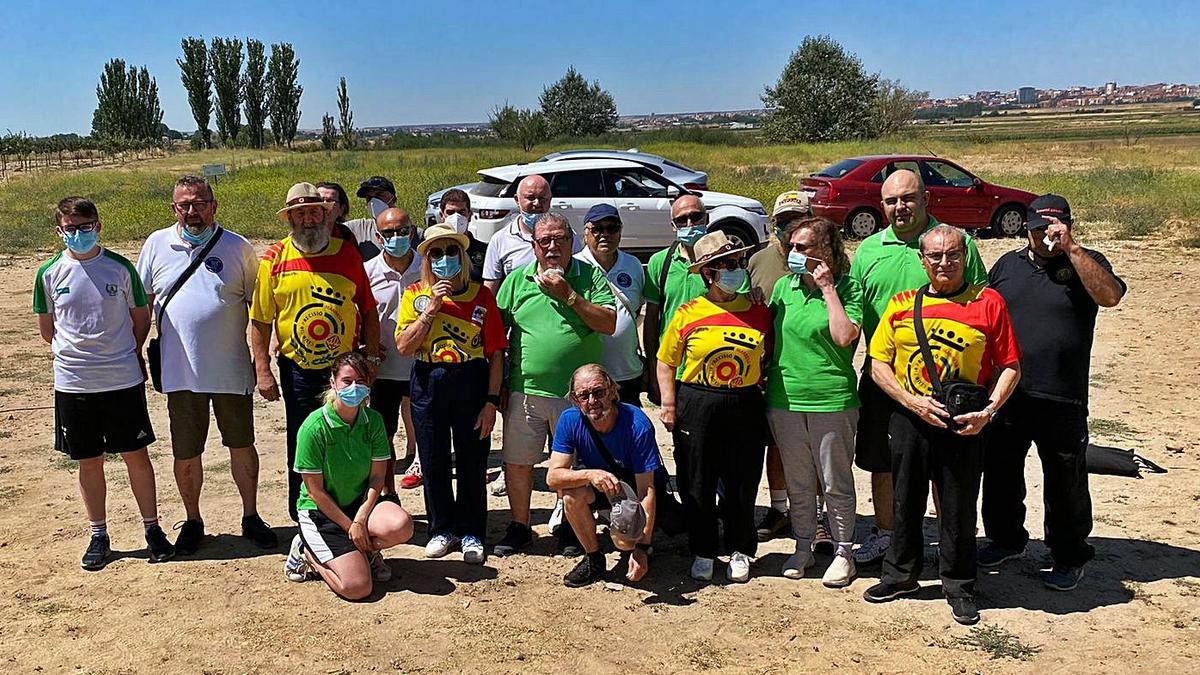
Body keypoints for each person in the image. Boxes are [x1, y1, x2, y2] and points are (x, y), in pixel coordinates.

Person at [863, 224, 1021, 626]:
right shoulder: (900, 304)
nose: (945, 262)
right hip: (910, 419)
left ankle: (960, 583)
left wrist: (987, 412)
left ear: (965, 257)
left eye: (953, 254)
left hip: (963, 423)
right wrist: (909, 401)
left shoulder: (989, 303)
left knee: (958, 506)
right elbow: (878, 363)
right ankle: (900, 575)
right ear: (922, 260)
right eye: (935, 256)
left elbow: (1010, 367)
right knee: (906, 499)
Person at [981, 194, 1126, 591]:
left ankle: (1068, 554)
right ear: (1026, 228)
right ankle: (1005, 539)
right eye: (1039, 227)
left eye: (1054, 226)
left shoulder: (1087, 262)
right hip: (1009, 392)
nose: (1046, 234)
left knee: (1065, 478)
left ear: (1068, 225)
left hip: (1062, 394)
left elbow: (1110, 296)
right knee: (1001, 473)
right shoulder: (1008, 266)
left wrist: (1072, 249)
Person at [848, 169, 987, 566]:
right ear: (881, 205)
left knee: (948, 469)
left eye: (908, 198)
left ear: (926, 199)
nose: (900, 207)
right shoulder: (870, 251)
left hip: (948, 382)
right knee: (882, 461)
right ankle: (888, 535)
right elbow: (857, 315)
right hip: (885, 378)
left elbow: (981, 306)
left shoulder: (953, 244)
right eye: (891, 201)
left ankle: (951, 542)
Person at [135, 175, 276, 555]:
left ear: (214, 205)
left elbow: (259, 311)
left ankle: (251, 515)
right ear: (173, 208)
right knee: (186, 451)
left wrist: (261, 364)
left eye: (199, 203)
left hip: (230, 369)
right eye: (184, 205)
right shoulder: (155, 244)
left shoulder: (238, 247)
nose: (192, 211)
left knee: (242, 445)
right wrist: (135, 350)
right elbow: (142, 305)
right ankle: (193, 519)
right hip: (180, 373)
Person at [34, 196, 174, 570]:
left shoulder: (120, 268)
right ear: (59, 231)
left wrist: (125, 351)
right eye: (70, 228)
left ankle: (153, 529)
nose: (79, 234)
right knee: (88, 461)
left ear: (98, 226)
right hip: (74, 383)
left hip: (121, 380)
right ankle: (99, 534)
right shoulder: (48, 273)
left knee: (136, 456)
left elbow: (140, 320)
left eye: (85, 226)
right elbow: (48, 331)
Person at [251, 182, 381, 522]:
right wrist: (262, 369)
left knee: (351, 437)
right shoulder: (274, 258)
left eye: (314, 212)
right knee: (303, 440)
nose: (308, 219)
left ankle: (351, 511)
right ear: (290, 219)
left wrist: (371, 358)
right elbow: (261, 320)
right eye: (299, 213)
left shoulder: (347, 253)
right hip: (299, 370)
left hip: (346, 371)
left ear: (326, 215)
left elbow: (368, 309)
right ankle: (305, 517)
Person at [494, 213, 616, 556]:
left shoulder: (589, 276)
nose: (552, 247)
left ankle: (571, 528)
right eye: (544, 241)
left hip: (578, 397)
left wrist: (570, 296)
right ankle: (520, 526)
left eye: (560, 239)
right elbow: (495, 335)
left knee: (573, 466)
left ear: (572, 242)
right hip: (525, 390)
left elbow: (608, 323)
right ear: (534, 245)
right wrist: (498, 383)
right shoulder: (516, 281)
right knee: (518, 462)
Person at [656, 231, 772, 584]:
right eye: (724, 265)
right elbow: (666, 362)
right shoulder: (689, 312)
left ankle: (740, 548)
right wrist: (669, 404)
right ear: (708, 273)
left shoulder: (759, 310)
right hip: (698, 400)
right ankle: (703, 549)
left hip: (745, 401)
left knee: (743, 478)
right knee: (697, 479)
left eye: (738, 263)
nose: (734, 270)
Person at [395, 223, 507, 564]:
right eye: (436, 253)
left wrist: (490, 401)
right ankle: (441, 528)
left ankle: (472, 530)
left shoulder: (481, 296)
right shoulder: (415, 294)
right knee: (433, 457)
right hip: (429, 379)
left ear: (461, 256)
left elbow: (496, 353)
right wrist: (430, 309)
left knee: (473, 458)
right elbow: (403, 346)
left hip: (471, 379)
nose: (444, 259)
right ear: (427, 259)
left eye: (450, 252)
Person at [766, 215, 863, 587]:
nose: (793, 253)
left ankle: (843, 551)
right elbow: (771, 337)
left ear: (826, 250)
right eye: (791, 247)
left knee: (835, 480)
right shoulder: (783, 288)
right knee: (799, 480)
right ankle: (803, 545)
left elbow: (844, 337)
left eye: (802, 247)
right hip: (785, 398)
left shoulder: (849, 288)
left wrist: (827, 289)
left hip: (832, 399)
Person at [284, 352, 415, 599]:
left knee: (402, 526)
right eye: (347, 380)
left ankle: (363, 552)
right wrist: (350, 526)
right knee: (357, 588)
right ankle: (307, 554)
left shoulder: (374, 420)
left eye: (361, 381)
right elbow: (315, 492)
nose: (354, 387)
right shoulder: (314, 427)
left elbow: (378, 478)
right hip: (321, 511)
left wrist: (361, 518)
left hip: (358, 504)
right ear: (333, 382)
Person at [750, 191, 827, 547]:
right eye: (783, 221)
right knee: (775, 445)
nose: (788, 228)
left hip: (814, 373)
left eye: (797, 220)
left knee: (815, 450)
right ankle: (780, 509)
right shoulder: (758, 260)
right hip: (770, 372)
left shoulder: (830, 265)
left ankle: (818, 514)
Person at [547, 365, 659, 587]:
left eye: (598, 392)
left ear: (612, 391)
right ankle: (593, 558)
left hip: (630, 489)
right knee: (570, 493)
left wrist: (642, 548)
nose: (592, 401)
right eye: (583, 395)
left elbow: (647, 490)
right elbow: (553, 478)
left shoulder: (637, 424)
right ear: (575, 400)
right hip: (598, 486)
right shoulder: (570, 419)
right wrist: (590, 475)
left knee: (624, 543)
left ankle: (636, 539)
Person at [364, 208, 423, 494]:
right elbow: (359, 316)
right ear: (378, 236)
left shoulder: (428, 268)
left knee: (427, 434)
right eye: (389, 233)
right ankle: (387, 493)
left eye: (402, 231)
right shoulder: (367, 273)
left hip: (422, 366)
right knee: (383, 437)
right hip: (383, 370)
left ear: (412, 232)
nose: (396, 237)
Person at [643, 194, 712, 405]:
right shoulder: (659, 263)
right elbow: (652, 320)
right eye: (682, 220)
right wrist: (653, 367)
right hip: (674, 368)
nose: (690, 224)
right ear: (674, 226)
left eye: (695, 217)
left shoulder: (725, 262)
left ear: (706, 218)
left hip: (713, 366)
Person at [574, 204, 646, 405]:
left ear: (620, 231)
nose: (605, 234)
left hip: (627, 371)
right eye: (597, 228)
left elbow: (636, 309)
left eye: (612, 228)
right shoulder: (574, 266)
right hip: (587, 374)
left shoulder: (633, 265)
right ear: (586, 233)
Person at [482, 174, 582, 294]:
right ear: (517, 200)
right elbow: (490, 289)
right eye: (530, 198)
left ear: (550, 200)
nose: (537, 204)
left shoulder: (567, 237)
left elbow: (580, 274)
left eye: (542, 199)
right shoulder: (500, 240)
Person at [437, 188, 488, 282]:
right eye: (450, 212)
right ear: (441, 216)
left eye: (462, 212)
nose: (456, 217)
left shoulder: (485, 251)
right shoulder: (435, 251)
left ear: (469, 215)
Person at [343, 175, 398, 260]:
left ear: (393, 199)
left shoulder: (415, 233)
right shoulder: (357, 229)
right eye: (369, 197)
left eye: (379, 195)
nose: (373, 201)